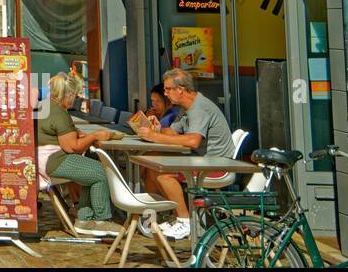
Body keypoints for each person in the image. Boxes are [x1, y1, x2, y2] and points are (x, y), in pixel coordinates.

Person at [137, 67, 234, 241]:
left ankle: (185, 221)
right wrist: (154, 128)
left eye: (167, 89)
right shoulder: (186, 107)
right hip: (201, 160)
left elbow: (192, 141)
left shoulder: (199, 108)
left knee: (163, 172)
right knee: (152, 163)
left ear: (180, 90)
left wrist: (154, 136)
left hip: (216, 165)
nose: (165, 93)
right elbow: (172, 133)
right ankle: (155, 216)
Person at [35, 73, 122, 234]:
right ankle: (102, 221)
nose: (74, 99)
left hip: (41, 160)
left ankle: (84, 219)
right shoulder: (59, 113)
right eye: (74, 95)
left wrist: (77, 133)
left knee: (90, 168)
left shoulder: (45, 106)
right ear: (67, 94)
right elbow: (73, 147)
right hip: (51, 161)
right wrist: (94, 136)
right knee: (99, 171)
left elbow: (60, 134)